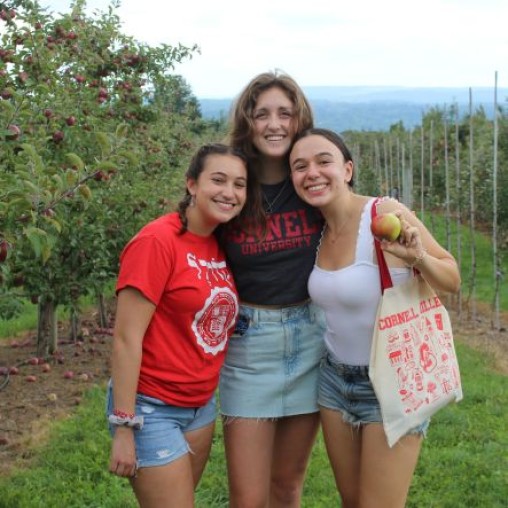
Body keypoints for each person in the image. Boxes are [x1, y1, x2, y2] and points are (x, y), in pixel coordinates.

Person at [289, 128, 461, 508]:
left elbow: (451, 278)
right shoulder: (315, 231)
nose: (312, 172)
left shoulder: (383, 213)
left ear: (347, 169)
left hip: (394, 384)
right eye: (299, 166)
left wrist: (417, 258)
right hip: (334, 382)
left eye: (323, 161)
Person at [106, 143, 258, 508]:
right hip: (151, 407)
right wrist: (125, 426)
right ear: (192, 184)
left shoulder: (218, 242)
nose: (229, 192)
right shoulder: (157, 242)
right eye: (218, 180)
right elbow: (127, 338)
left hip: (200, 405)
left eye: (239, 184)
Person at [218, 71, 326, 507]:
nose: (274, 123)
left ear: (300, 119)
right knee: (248, 497)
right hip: (249, 342)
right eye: (262, 114)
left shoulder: (313, 182)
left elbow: (358, 221)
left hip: (312, 337)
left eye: (285, 112)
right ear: (248, 121)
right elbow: (188, 233)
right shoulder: (232, 184)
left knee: (286, 488)